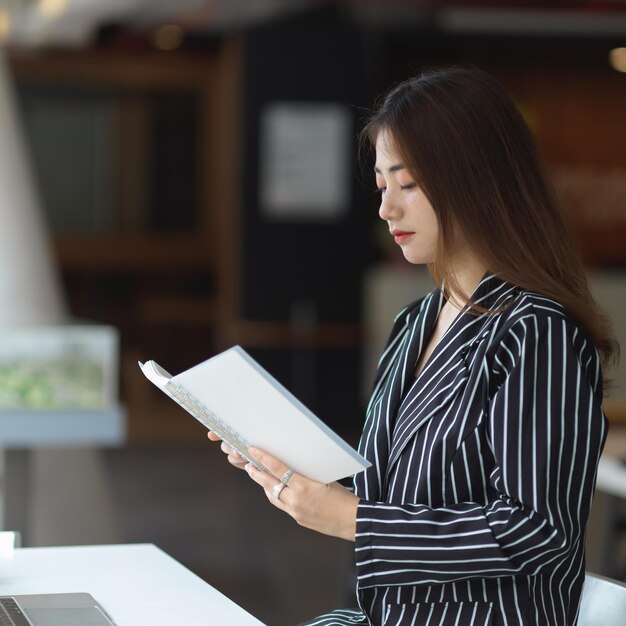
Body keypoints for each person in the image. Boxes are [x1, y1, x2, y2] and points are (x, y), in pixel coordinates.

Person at [208, 67, 618, 626]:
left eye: (408, 184)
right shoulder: (416, 322)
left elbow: (535, 531)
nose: (387, 209)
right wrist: (285, 466)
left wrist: (354, 519)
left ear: (476, 179)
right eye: (382, 186)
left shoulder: (537, 331)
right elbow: (394, 485)